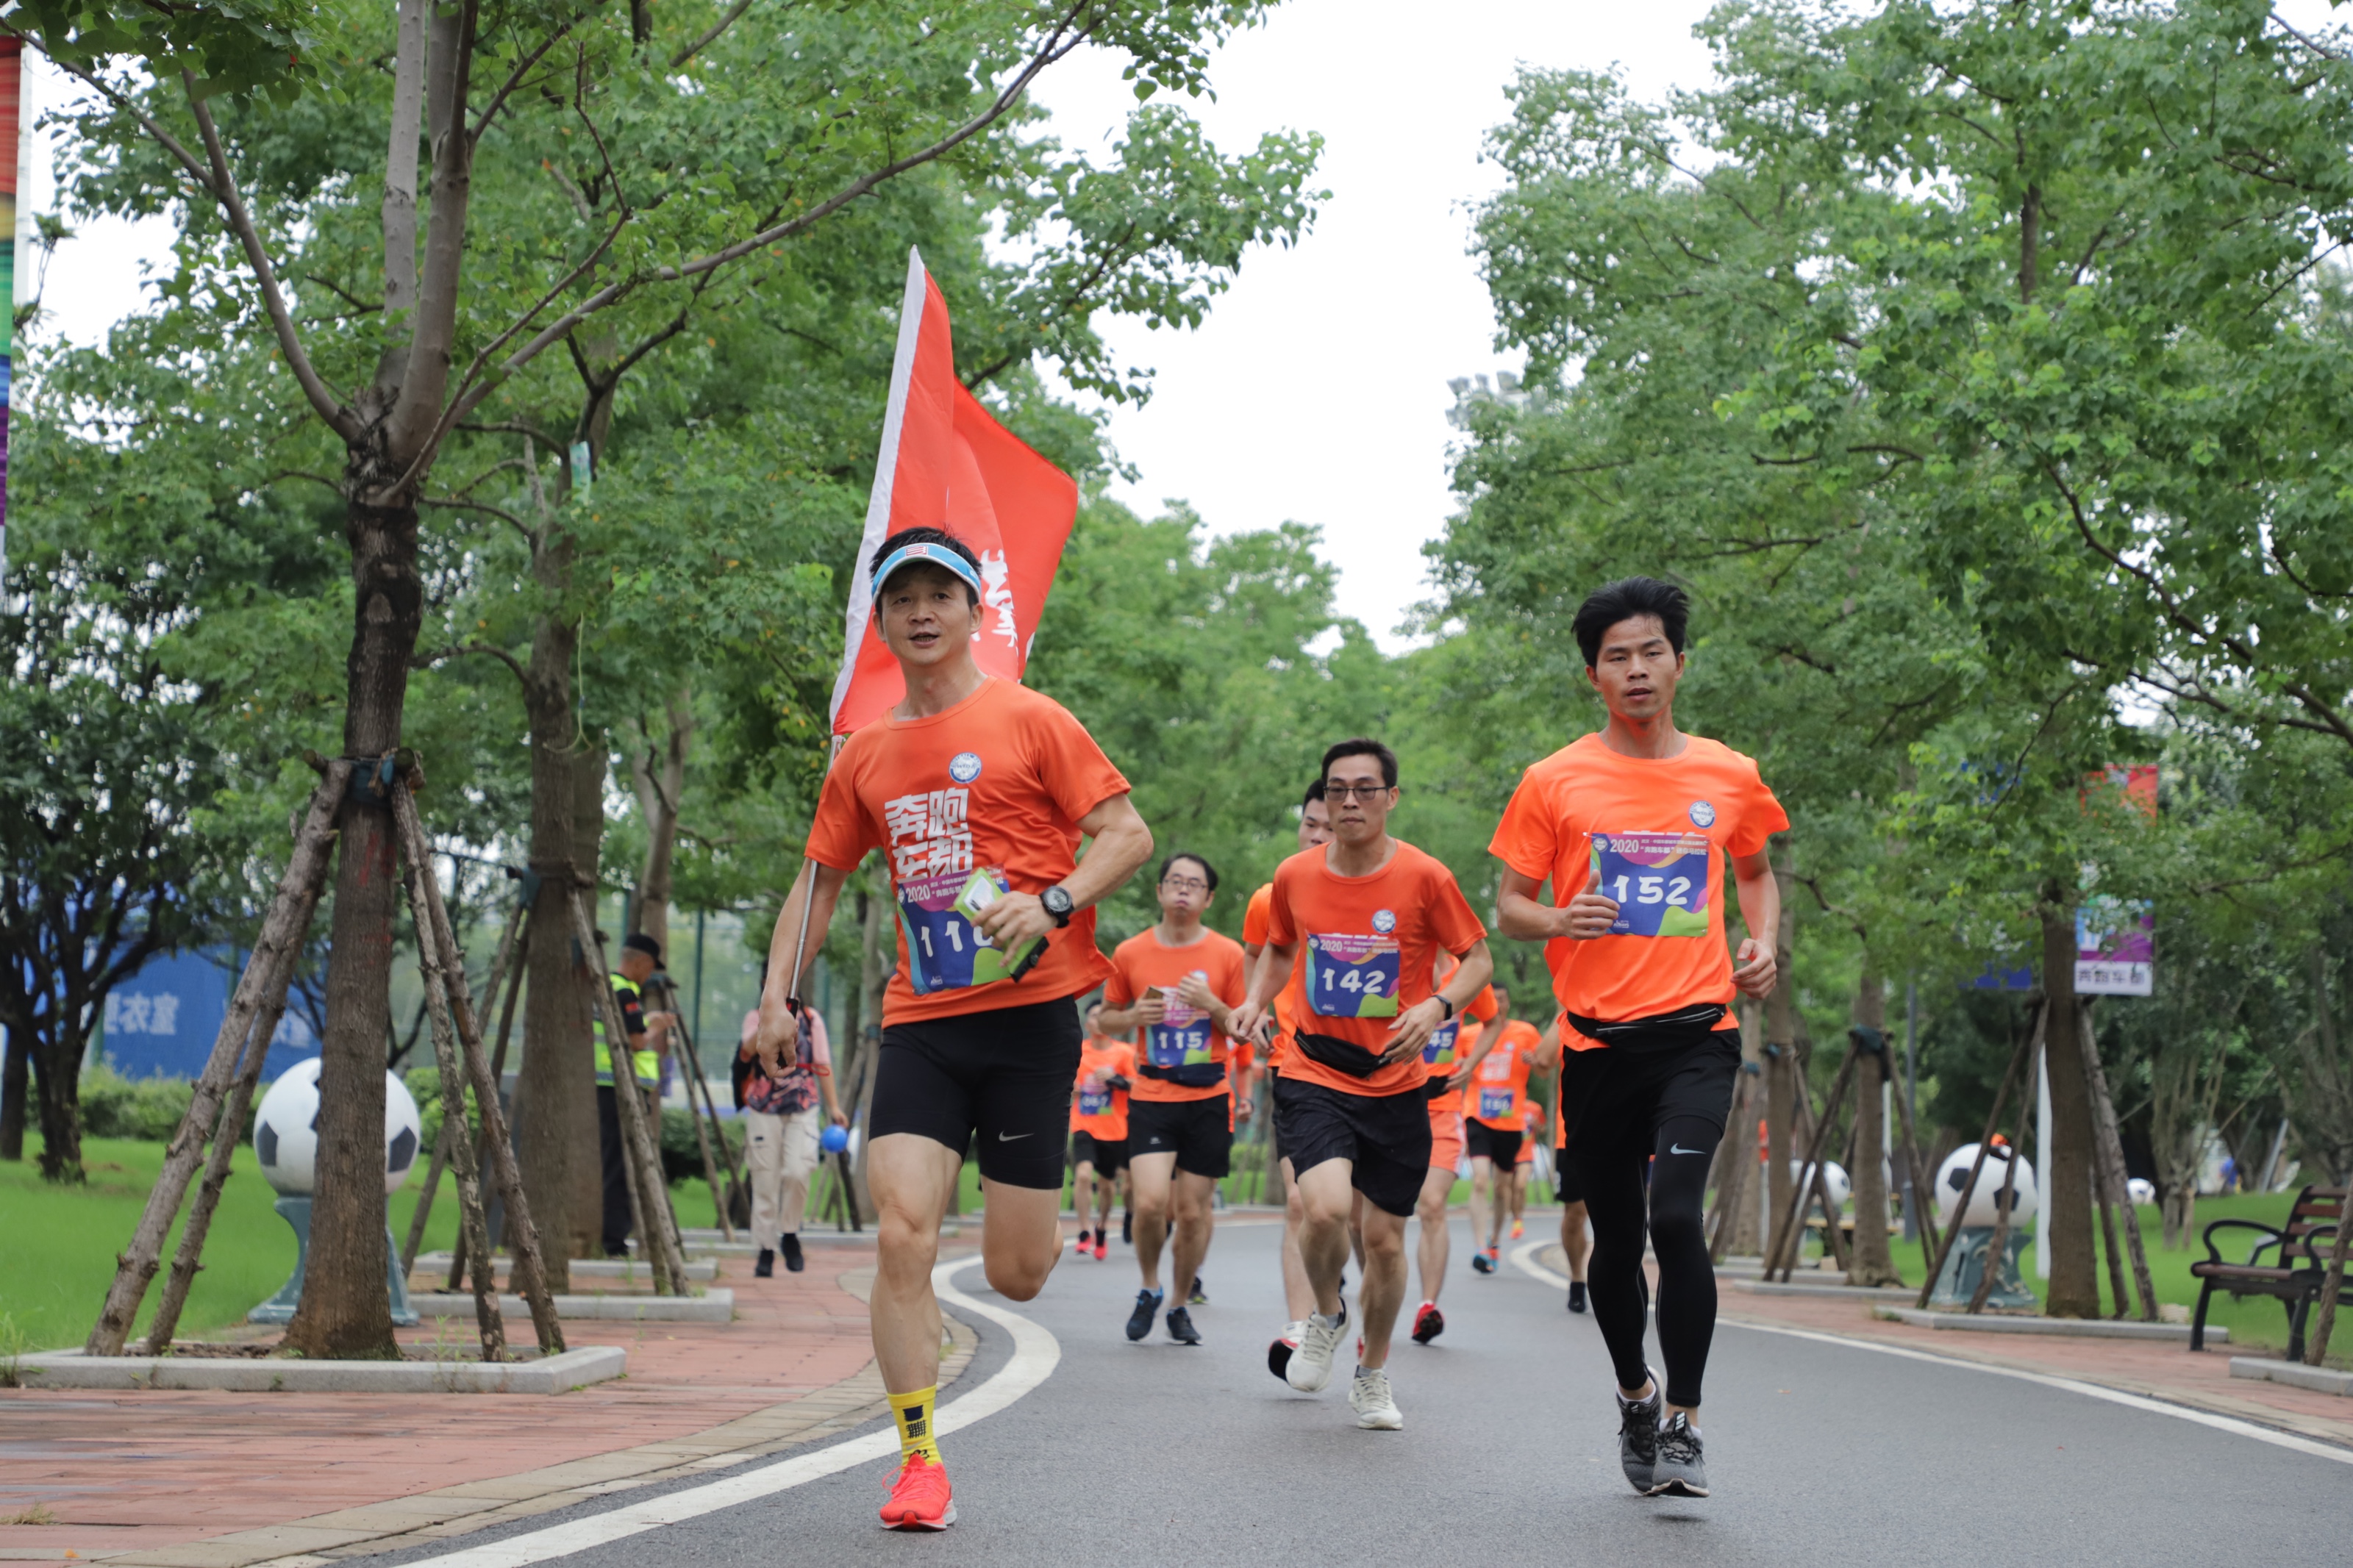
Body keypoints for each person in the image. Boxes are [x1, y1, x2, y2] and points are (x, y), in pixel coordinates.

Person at [754, 527, 1154, 1531]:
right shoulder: (865, 753)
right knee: (902, 1232)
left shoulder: (1031, 718)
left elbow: (1127, 834)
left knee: (1018, 1274)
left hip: (1029, 1024)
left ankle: (1027, 1230)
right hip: (922, 1022)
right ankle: (918, 1461)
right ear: (881, 622)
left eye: (941, 595)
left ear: (977, 612)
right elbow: (818, 883)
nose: (922, 612)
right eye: (902, 599)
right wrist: (774, 997)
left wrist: (1052, 901)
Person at [1490, 576, 1786, 1500]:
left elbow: (1754, 871)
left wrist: (1762, 943)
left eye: (1650, 652)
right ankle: (1635, 1395)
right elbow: (1507, 907)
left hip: (1697, 1035)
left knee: (1675, 1218)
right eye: (1615, 657)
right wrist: (1557, 919)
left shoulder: (1727, 774)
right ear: (1593, 676)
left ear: (1679, 664)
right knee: (1615, 1245)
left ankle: (1685, 1423)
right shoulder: (1552, 780)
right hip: (1595, 1048)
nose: (1635, 670)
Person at [1232, 738, 1492, 1431]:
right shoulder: (1294, 875)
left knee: (1382, 1241)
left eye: (1365, 788)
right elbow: (1280, 946)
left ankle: (1372, 1373)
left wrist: (1437, 1006)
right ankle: (1327, 1314)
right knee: (1320, 1209)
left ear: (1390, 797)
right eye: (1337, 788)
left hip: (1396, 1080)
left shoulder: (1426, 876)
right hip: (1314, 1069)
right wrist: (1256, 999)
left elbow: (1478, 959)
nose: (1350, 800)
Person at [1096, 852, 1249, 1346]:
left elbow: (1243, 1028)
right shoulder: (1131, 952)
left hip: (1208, 1096)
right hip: (1152, 1093)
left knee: (1192, 1213)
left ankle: (1180, 1303)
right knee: (1149, 1203)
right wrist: (1133, 1017)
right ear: (1160, 890)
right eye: (1175, 881)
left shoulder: (1228, 954)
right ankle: (1149, 1286)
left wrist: (1212, 1005)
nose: (1183, 890)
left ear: (1209, 898)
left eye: (1194, 884)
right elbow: (1105, 1017)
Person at [1242, 781, 1333, 1381]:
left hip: (1369, 1068)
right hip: (1295, 1059)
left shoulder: (1383, 891)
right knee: (1300, 1200)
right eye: (1309, 824)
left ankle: (1346, 1308)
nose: (1317, 835)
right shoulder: (1271, 895)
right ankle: (1302, 1323)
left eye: (1328, 826)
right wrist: (1256, 1005)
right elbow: (1256, 953)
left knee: (1356, 1217)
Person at [1407, 959, 1497, 1346]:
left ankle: (1428, 1305)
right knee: (1372, 1222)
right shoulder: (1396, 955)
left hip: (1442, 1108)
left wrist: (1471, 1064)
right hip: (1390, 1102)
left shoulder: (1467, 970)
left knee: (1431, 1205)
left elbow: (1492, 1020)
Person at [735, 982, 848, 1277]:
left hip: (803, 1104)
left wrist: (834, 1107)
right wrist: (769, 1016)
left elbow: (822, 1062)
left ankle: (789, 1233)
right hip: (763, 1107)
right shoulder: (754, 1017)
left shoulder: (811, 1018)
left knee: (799, 1170)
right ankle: (765, 1249)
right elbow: (747, 1050)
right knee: (765, 1179)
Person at [595, 932, 676, 1259]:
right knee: (619, 1163)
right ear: (641, 962)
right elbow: (636, 1041)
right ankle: (614, 1240)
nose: (649, 975)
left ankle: (614, 1235)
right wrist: (655, 1026)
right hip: (620, 1086)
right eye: (650, 968)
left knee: (614, 1160)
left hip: (607, 1083)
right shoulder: (625, 991)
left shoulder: (606, 985)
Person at [1465, 987, 1550, 1275]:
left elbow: (1544, 1071)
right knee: (1480, 1180)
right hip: (1477, 1115)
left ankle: (1494, 1241)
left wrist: (1535, 1062)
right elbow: (1454, 1067)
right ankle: (1480, 1247)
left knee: (1502, 1188)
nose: (1496, 1004)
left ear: (1508, 1003)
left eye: (1501, 999)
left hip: (1511, 1122)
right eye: (1491, 999)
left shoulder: (1525, 1032)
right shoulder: (1468, 1035)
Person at [1069, 1001, 1134, 1262]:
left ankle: (1102, 1226)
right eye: (1093, 1016)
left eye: (1101, 1016)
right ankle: (1084, 1230)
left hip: (1114, 1129)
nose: (1097, 1020)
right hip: (1084, 1125)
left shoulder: (1124, 1053)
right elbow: (1065, 1080)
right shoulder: (1078, 1052)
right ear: (1088, 1024)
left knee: (1107, 1185)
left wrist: (1114, 1079)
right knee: (1084, 1176)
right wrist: (1073, 1088)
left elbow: (1138, 1084)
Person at [1552, 1039, 1592, 1313]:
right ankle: (1577, 1278)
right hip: (1571, 1134)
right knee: (1575, 1214)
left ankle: (1617, 1281)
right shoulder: (1568, 1022)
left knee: (1619, 1215)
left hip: (1620, 1132)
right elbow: (1543, 1061)